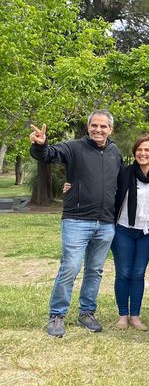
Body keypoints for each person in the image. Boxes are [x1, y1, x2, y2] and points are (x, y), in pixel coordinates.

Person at [30, 111, 123, 337]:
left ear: (110, 129)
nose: (98, 130)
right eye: (94, 125)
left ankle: (87, 313)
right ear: (88, 127)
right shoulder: (74, 147)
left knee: (95, 270)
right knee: (70, 267)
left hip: (106, 224)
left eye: (103, 126)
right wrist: (41, 145)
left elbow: (121, 182)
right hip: (76, 221)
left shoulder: (115, 152)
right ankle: (57, 314)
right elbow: (49, 154)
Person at [112, 134, 149, 331]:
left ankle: (135, 316)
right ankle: (122, 315)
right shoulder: (124, 173)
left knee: (138, 274)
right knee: (123, 273)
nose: (142, 153)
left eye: (147, 150)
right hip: (123, 230)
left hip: (146, 232)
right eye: (139, 149)